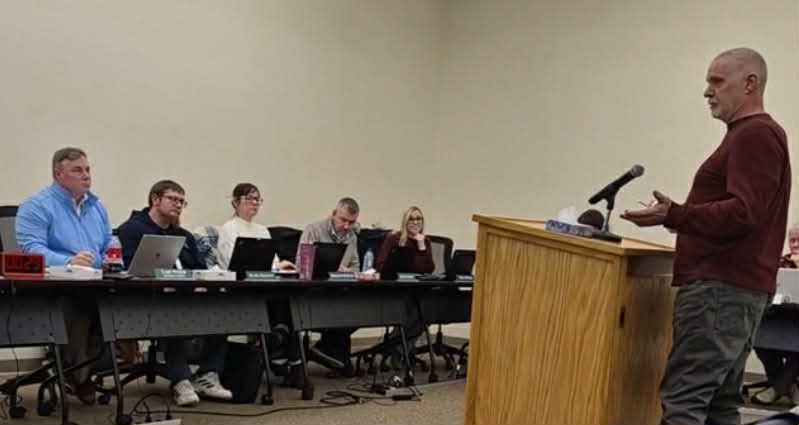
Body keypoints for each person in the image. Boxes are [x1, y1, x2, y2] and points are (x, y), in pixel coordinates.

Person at [621, 47, 791, 425]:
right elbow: (742, 211)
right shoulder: (752, 135)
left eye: (717, 81)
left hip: (720, 290)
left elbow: (744, 213)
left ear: (749, 84)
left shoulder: (755, 135)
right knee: (718, 403)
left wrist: (677, 215)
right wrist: (678, 218)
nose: (707, 91)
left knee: (686, 397)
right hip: (733, 290)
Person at [117, 180, 232, 406]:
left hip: (186, 295)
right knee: (170, 308)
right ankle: (181, 380)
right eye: (173, 199)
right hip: (145, 299)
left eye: (182, 201)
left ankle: (208, 375)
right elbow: (127, 269)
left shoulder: (184, 236)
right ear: (155, 199)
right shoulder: (132, 230)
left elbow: (200, 268)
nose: (178, 205)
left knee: (222, 307)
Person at [15, 147, 111, 404]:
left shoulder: (96, 206)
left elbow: (107, 243)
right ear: (58, 174)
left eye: (88, 169)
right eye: (77, 170)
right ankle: (79, 374)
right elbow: (31, 249)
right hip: (56, 286)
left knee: (117, 308)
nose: (86, 175)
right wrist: (68, 261)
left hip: (96, 282)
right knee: (80, 304)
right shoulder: (37, 205)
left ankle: (80, 371)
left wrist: (110, 258)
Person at [297, 197, 361, 376]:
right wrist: (329, 269)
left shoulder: (352, 237)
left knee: (362, 309)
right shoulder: (313, 230)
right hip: (315, 292)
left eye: (352, 222)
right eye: (343, 220)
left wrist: (345, 271)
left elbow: (356, 267)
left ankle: (326, 350)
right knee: (344, 310)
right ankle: (333, 357)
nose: (347, 226)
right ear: (334, 214)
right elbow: (301, 266)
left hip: (340, 291)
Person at [751, 224, 799, 405]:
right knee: (759, 335)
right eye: (792, 240)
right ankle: (789, 386)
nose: (795, 245)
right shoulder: (780, 262)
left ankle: (776, 389)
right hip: (778, 315)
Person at [216, 183, 294, 270]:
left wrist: (280, 266)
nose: (255, 202)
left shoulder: (262, 230)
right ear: (236, 202)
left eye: (257, 199)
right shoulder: (229, 228)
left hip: (266, 275)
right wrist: (275, 267)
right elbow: (232, 263)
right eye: (249, 198)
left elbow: (273, 260)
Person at [374, 206, 435, 274]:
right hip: (396, 278)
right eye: (411, 219)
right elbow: (379, 266)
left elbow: (429, 270)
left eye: (418, 219)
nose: (415, 222)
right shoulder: (394, 238)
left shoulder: (425, 241)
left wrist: (422, 247)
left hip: (418, 279)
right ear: (405, 222)